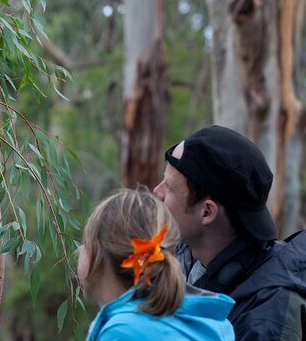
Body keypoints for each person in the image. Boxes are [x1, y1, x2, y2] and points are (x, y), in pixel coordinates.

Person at [154, 125, 306, 340]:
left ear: (207, 212)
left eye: (169, 187)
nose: (156, 192)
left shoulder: (265, 322)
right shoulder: (193, 263)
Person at [79, 188, 235, 340]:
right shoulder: (207, 325)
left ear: (102, 254)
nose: (79, 251)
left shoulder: (121, 332)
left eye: (85, 242)